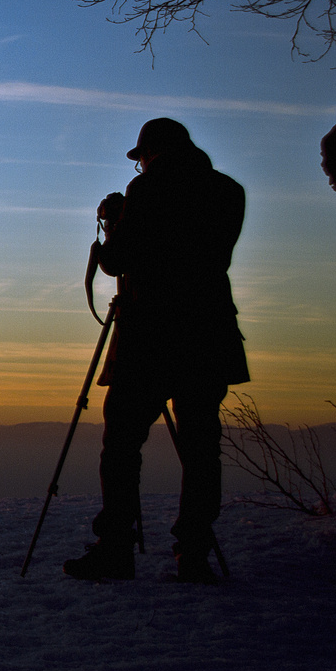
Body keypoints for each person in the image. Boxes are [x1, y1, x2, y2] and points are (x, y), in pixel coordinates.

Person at [64, 117, 249, 584]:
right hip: (208, 335)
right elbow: (213, 256)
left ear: (151, 153)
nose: (139, 164)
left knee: (122, 445)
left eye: (140, 156)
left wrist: (113, 222)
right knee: (202, 448)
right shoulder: (229, 191)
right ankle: (193, 553)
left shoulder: (146, 191)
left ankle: (115, 548)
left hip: (150, 338)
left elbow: (116, 261)